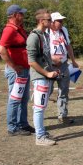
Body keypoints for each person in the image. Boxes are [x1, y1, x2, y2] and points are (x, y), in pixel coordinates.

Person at [0, 4, 35, 136]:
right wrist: (14, 66)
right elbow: (1, 49)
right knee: (15, 100)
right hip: (17, 71)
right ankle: (13, 128)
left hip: (24, 70)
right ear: (14, 15)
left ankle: (23, 124)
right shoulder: (9, 30)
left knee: (23, 99)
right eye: (21, 14)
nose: (23, 16)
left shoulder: (19, 29)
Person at [27, 9, 59, 146]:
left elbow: (43, 57)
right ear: (41, 21)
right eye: (49, 20)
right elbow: (31, 61)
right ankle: (40, 137)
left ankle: (42, 132)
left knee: (42, 106)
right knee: (39, 108)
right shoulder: (34, 37)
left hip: (45, 76)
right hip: (39, 77)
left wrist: (53, 66)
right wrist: (46, 73)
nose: (51, 22)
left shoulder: (45, 35)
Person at [49, 12, 79, 124]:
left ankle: (63, 116)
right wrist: (52, 59)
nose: (62, 23)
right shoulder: (46, 32)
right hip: (50, 67)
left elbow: (68, 46)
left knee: (64, 91)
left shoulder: (64, 30)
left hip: (64, 65)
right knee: (48, 90)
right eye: (59, 21)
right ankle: (39, 112)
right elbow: (41, 50)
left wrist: (73, 61)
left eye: (62, 21)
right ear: (52, 22)